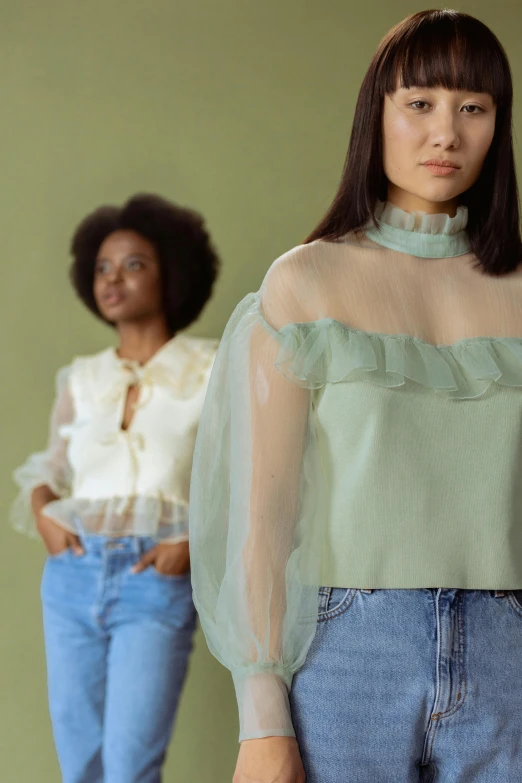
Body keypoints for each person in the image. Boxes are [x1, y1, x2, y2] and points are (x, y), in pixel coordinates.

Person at [189, 10, 522, 783]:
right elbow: (260, 518)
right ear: (377, 113)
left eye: (474, 108)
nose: (447, 132)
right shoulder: (306, 282)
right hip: (346, 652)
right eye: (421, 103)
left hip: (509, 648)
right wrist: (261, 719)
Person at [11, 193, 220, 783]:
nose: (113, 279)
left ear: (172, 272)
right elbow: (48, 467)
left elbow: (244, 476)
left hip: (153, 580)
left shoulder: (212, 368)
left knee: (130, 768)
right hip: (72, 576)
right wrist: (45, 513)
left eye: (133, 264)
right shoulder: (82, 377)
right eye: (102, 267)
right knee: (81, 768)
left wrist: (191, 541)